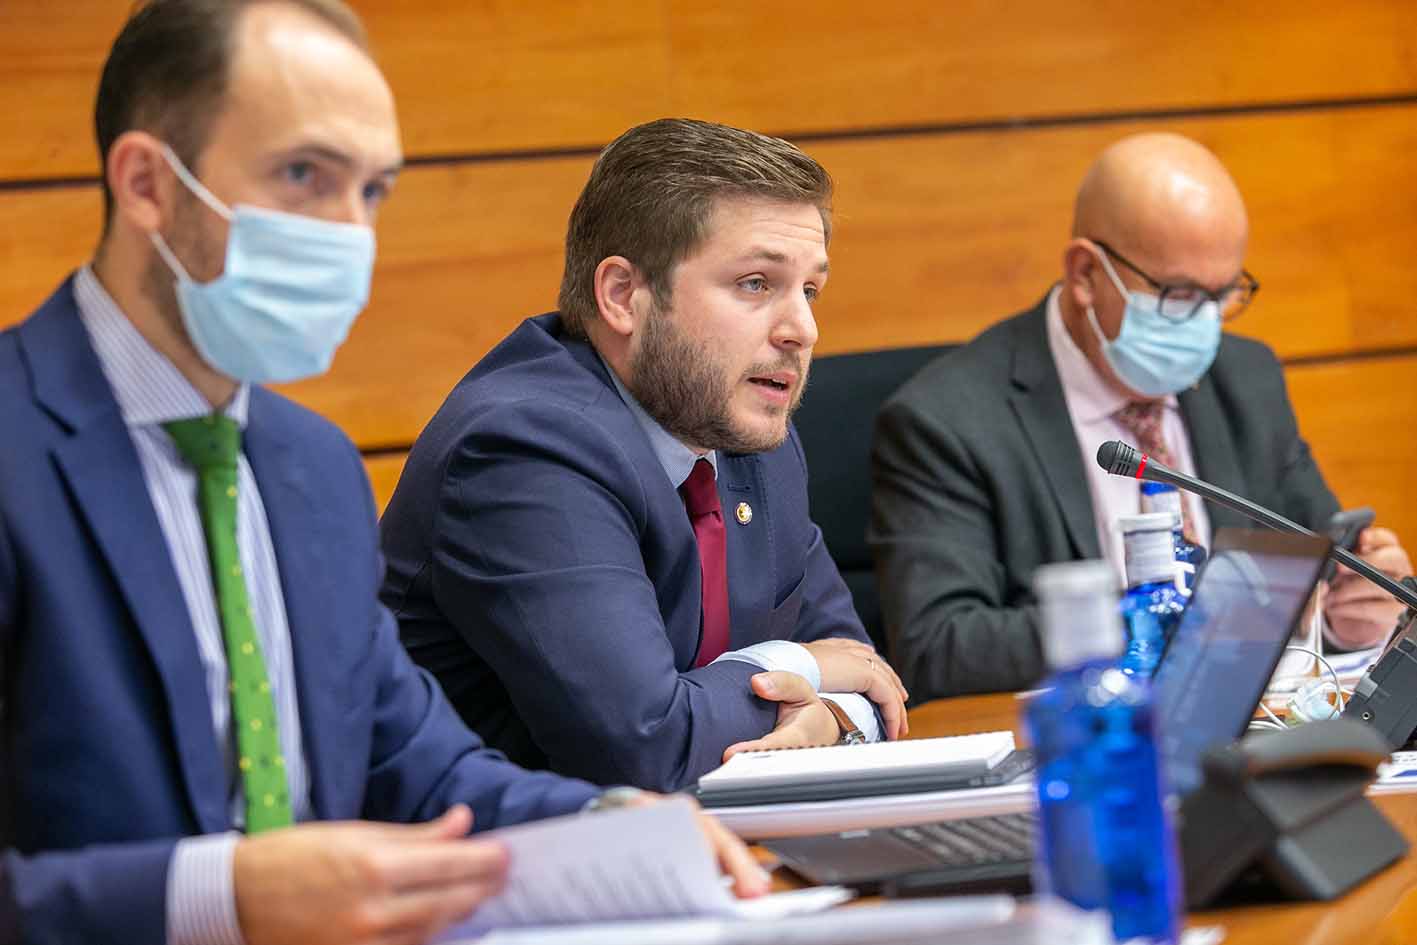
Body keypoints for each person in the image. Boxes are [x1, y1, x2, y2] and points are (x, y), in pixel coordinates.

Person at [0, 5, 762, 944]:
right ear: (149, 183)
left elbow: (420, 769)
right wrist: (218, 896)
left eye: (372, 191)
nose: (347, 232)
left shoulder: (308, 466)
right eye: (304, 176)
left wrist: (610, 826)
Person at [379, 118, 908, 793]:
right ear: (623, 296)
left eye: (809, 290)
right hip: (503, 867)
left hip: (704, 850)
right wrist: (797, 668)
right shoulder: (524, 447)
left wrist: (829, 716)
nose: (801, 329)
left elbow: (866, 673)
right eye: (755, 283)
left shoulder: (749, 437)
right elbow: (644, 746)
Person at [870, 132, 1413, 700]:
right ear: (1086, 274)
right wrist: (1161, 619)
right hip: (1090, 746)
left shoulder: (1246, 380)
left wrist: (1350, 608)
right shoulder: (946, 420)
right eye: (1178, 295)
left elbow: (1318, 563)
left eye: (1221, 294)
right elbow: (940, 648)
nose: (1204, 323)